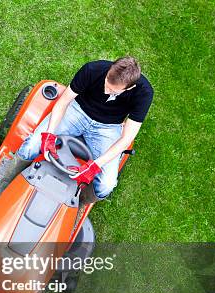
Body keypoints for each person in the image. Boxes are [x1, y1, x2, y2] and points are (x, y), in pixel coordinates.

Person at [17, 57, 154, 199]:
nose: (106, 91)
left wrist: (94, 166)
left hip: (108, 127)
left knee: (106, 185)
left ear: (129, 88)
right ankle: (9, 176)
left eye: (113, 91)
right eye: (106, 84)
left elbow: (127, 139)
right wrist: (49, 134)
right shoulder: (92, 69)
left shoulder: (144, 93)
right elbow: (63, 102)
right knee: (31, 145)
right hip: (77, 110)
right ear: (109, 69)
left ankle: (78, 202)